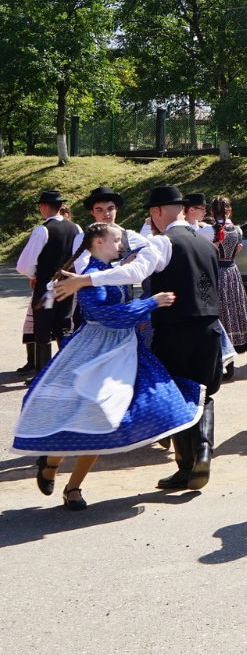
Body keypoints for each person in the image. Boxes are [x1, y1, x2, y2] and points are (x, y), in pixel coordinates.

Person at [14, 222, 201, 511]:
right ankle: (50, 462)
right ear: (98, 242)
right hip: (95, 351)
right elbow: (107, 316)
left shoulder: (112, 270)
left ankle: (73, 487)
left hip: (125, 348)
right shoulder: (89, 276)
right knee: (80, 414)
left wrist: (144, 312)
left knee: (106, 421)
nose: (121, 245)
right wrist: (149, 304)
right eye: (115, 240)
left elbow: (141, 255)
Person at [52, 186, 224, 491]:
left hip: (176, 329)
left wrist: (86, 280)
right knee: (203, 393)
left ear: (157, 212)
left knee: (179, 394)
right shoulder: (207, 243)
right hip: (211, 328)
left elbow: (134, 272)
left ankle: (190, 463)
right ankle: (204, 453)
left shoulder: (163, 242)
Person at [17, 190, 79, 376]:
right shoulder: (76, 229)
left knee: (42, 327)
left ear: (43, 207)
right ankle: (67, 370)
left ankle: (42, 374)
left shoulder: (43, 229)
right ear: (61, 207)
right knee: (65, 326)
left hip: (47, 287)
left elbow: (24, 264)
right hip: (68, 286)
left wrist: (34, 275)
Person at [207, 197, 247, 354]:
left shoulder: (210, 231)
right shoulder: (238, 230)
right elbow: (237, 249)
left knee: (219, 308)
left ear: (211, 212)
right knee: (234, 305)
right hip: (232, 271)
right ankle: (237, 340)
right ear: (230, 211)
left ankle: (221, 343)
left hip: (216, 271)